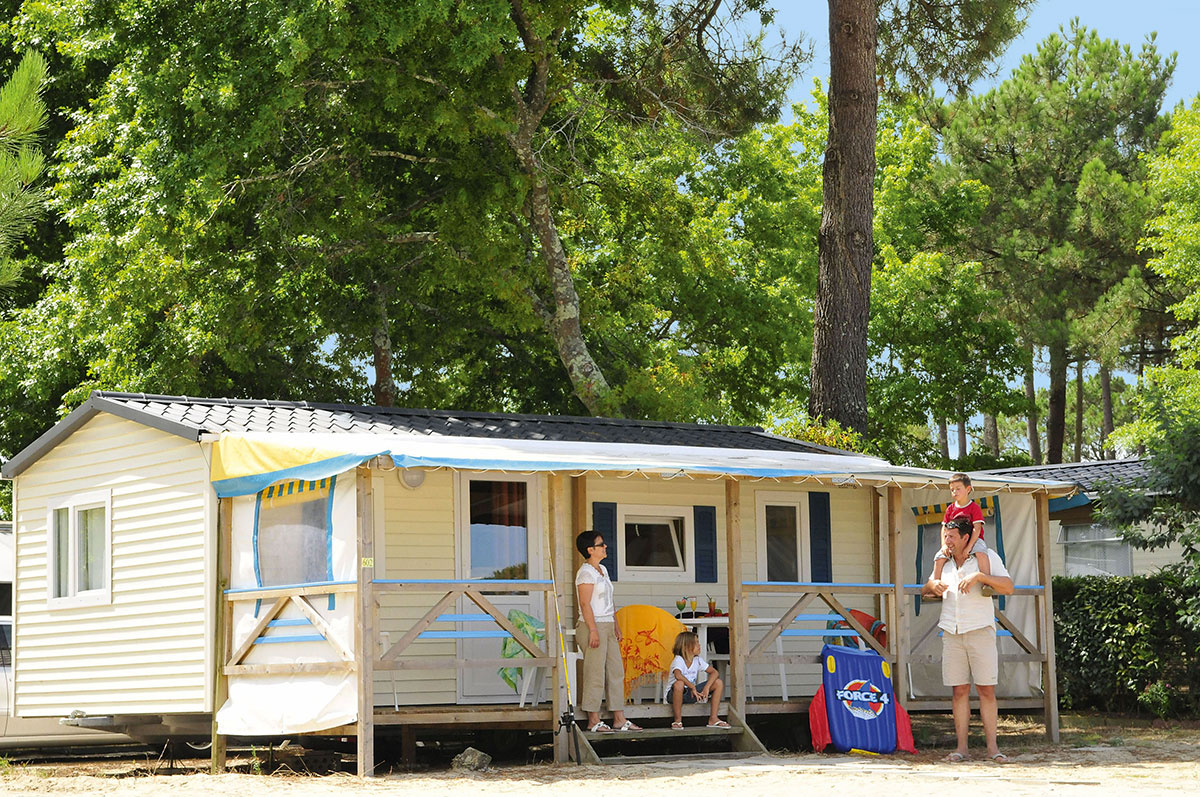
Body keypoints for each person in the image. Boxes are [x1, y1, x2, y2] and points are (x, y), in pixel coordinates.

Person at [922, 515, 1015, 763]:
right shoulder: (943, 560)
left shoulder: (987, 557)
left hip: (980, 630)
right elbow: (924, 589)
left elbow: (1008, 586)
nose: (947, 541)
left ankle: (993, 749)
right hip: (951, 632)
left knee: (986, 689)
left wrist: (980, 577)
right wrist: (934, 586)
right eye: (945, 536)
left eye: (952, 537)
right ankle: (961, 748)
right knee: (959, 690)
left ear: (966, 537)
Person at [574, 530, 641, 732]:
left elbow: (609, 601)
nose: (605, 547)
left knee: (615, 671)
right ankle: (593, 720)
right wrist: (593, 630)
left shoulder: (602, 569)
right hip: (591, 625)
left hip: (608, 625)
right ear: (590, 549)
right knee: (594, 672)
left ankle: (619, 718)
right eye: (601, 544)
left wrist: (616, 625)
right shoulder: (585, 573)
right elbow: (585, 604)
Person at [932, 473, 991, 584]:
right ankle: (936, 584)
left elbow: (977, 529)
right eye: (952, 490)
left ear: (968, 489)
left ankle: (986, 582)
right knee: (939, 557)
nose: (955, 492)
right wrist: (944, 544)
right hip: (955, 540)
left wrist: (969, 547)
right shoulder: (950, 508)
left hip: (974, 539)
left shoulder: (974, 507)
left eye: (958, 489)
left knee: (981, 553)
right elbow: (944, 527)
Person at [665, 631, 728, 730]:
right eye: (696, 643)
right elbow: (678, 675)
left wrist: (707, 688)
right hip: (674, 695)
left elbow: (714, 672)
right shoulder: (679, 660)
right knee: (679, 684)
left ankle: (713, 719)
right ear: (686, 646)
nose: (699, 645)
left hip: (691, 694)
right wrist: (692, 686)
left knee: (718, 683)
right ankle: (677, 720)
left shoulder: (697, 660)